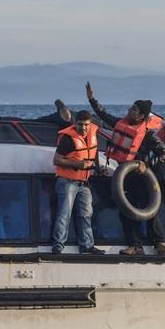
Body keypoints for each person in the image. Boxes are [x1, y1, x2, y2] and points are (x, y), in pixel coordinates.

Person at [85, 83, 165, 256]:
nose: (130, 110)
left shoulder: (147, 135)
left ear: (141, 116)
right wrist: (92, 100)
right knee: (126, 210)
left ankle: (158, 242)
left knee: (150, 208)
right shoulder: (120, 123)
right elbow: (102, 114)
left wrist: (147, 163)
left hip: (142, 175)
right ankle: (134, 245)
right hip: (124, 175)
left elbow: (164, 153)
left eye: (134, 109)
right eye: (131, 107)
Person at [51, 109, 103, 255]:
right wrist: (78, 165)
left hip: (83, 182)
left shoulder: (93, 134)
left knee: (86, 214)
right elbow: (56, 160)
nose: (83, 128)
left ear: (90, 124)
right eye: (80, 124)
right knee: (64, 214)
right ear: (75, 123)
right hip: (67, 181)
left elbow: (94, 152)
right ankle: (58, 245)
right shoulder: (68, 139)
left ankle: (87, 245)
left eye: (86, 125)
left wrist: (97, 169)